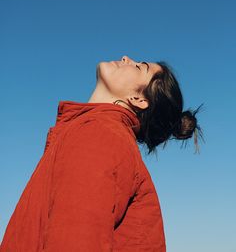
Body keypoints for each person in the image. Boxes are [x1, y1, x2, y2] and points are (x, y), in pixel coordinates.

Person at [0, 55, 204, 252]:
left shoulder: (100, 133)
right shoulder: (99, 131)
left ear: (138, 99)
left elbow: (75, 243)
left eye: (139, 67)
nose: (126, 58)